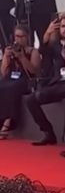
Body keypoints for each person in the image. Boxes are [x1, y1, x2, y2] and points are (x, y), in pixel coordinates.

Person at [0, 25, 41, 140]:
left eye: (22, 36)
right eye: (17, 36)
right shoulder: (11, 49)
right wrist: (6, 57)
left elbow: (34, 71)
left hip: (25, 79)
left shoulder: (33, 52)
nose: (19, 39)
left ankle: (8, 121)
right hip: (11, 77)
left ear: (27, 37)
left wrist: (22, 57)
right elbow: (4, 72)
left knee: (12, 89)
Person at [27, 15, 65, 146]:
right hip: (58, 84)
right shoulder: (56, 46)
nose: (64, 29)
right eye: (63, 26)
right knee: (31, 99)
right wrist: (48, 32)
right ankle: (48, 133)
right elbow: (42, 51)